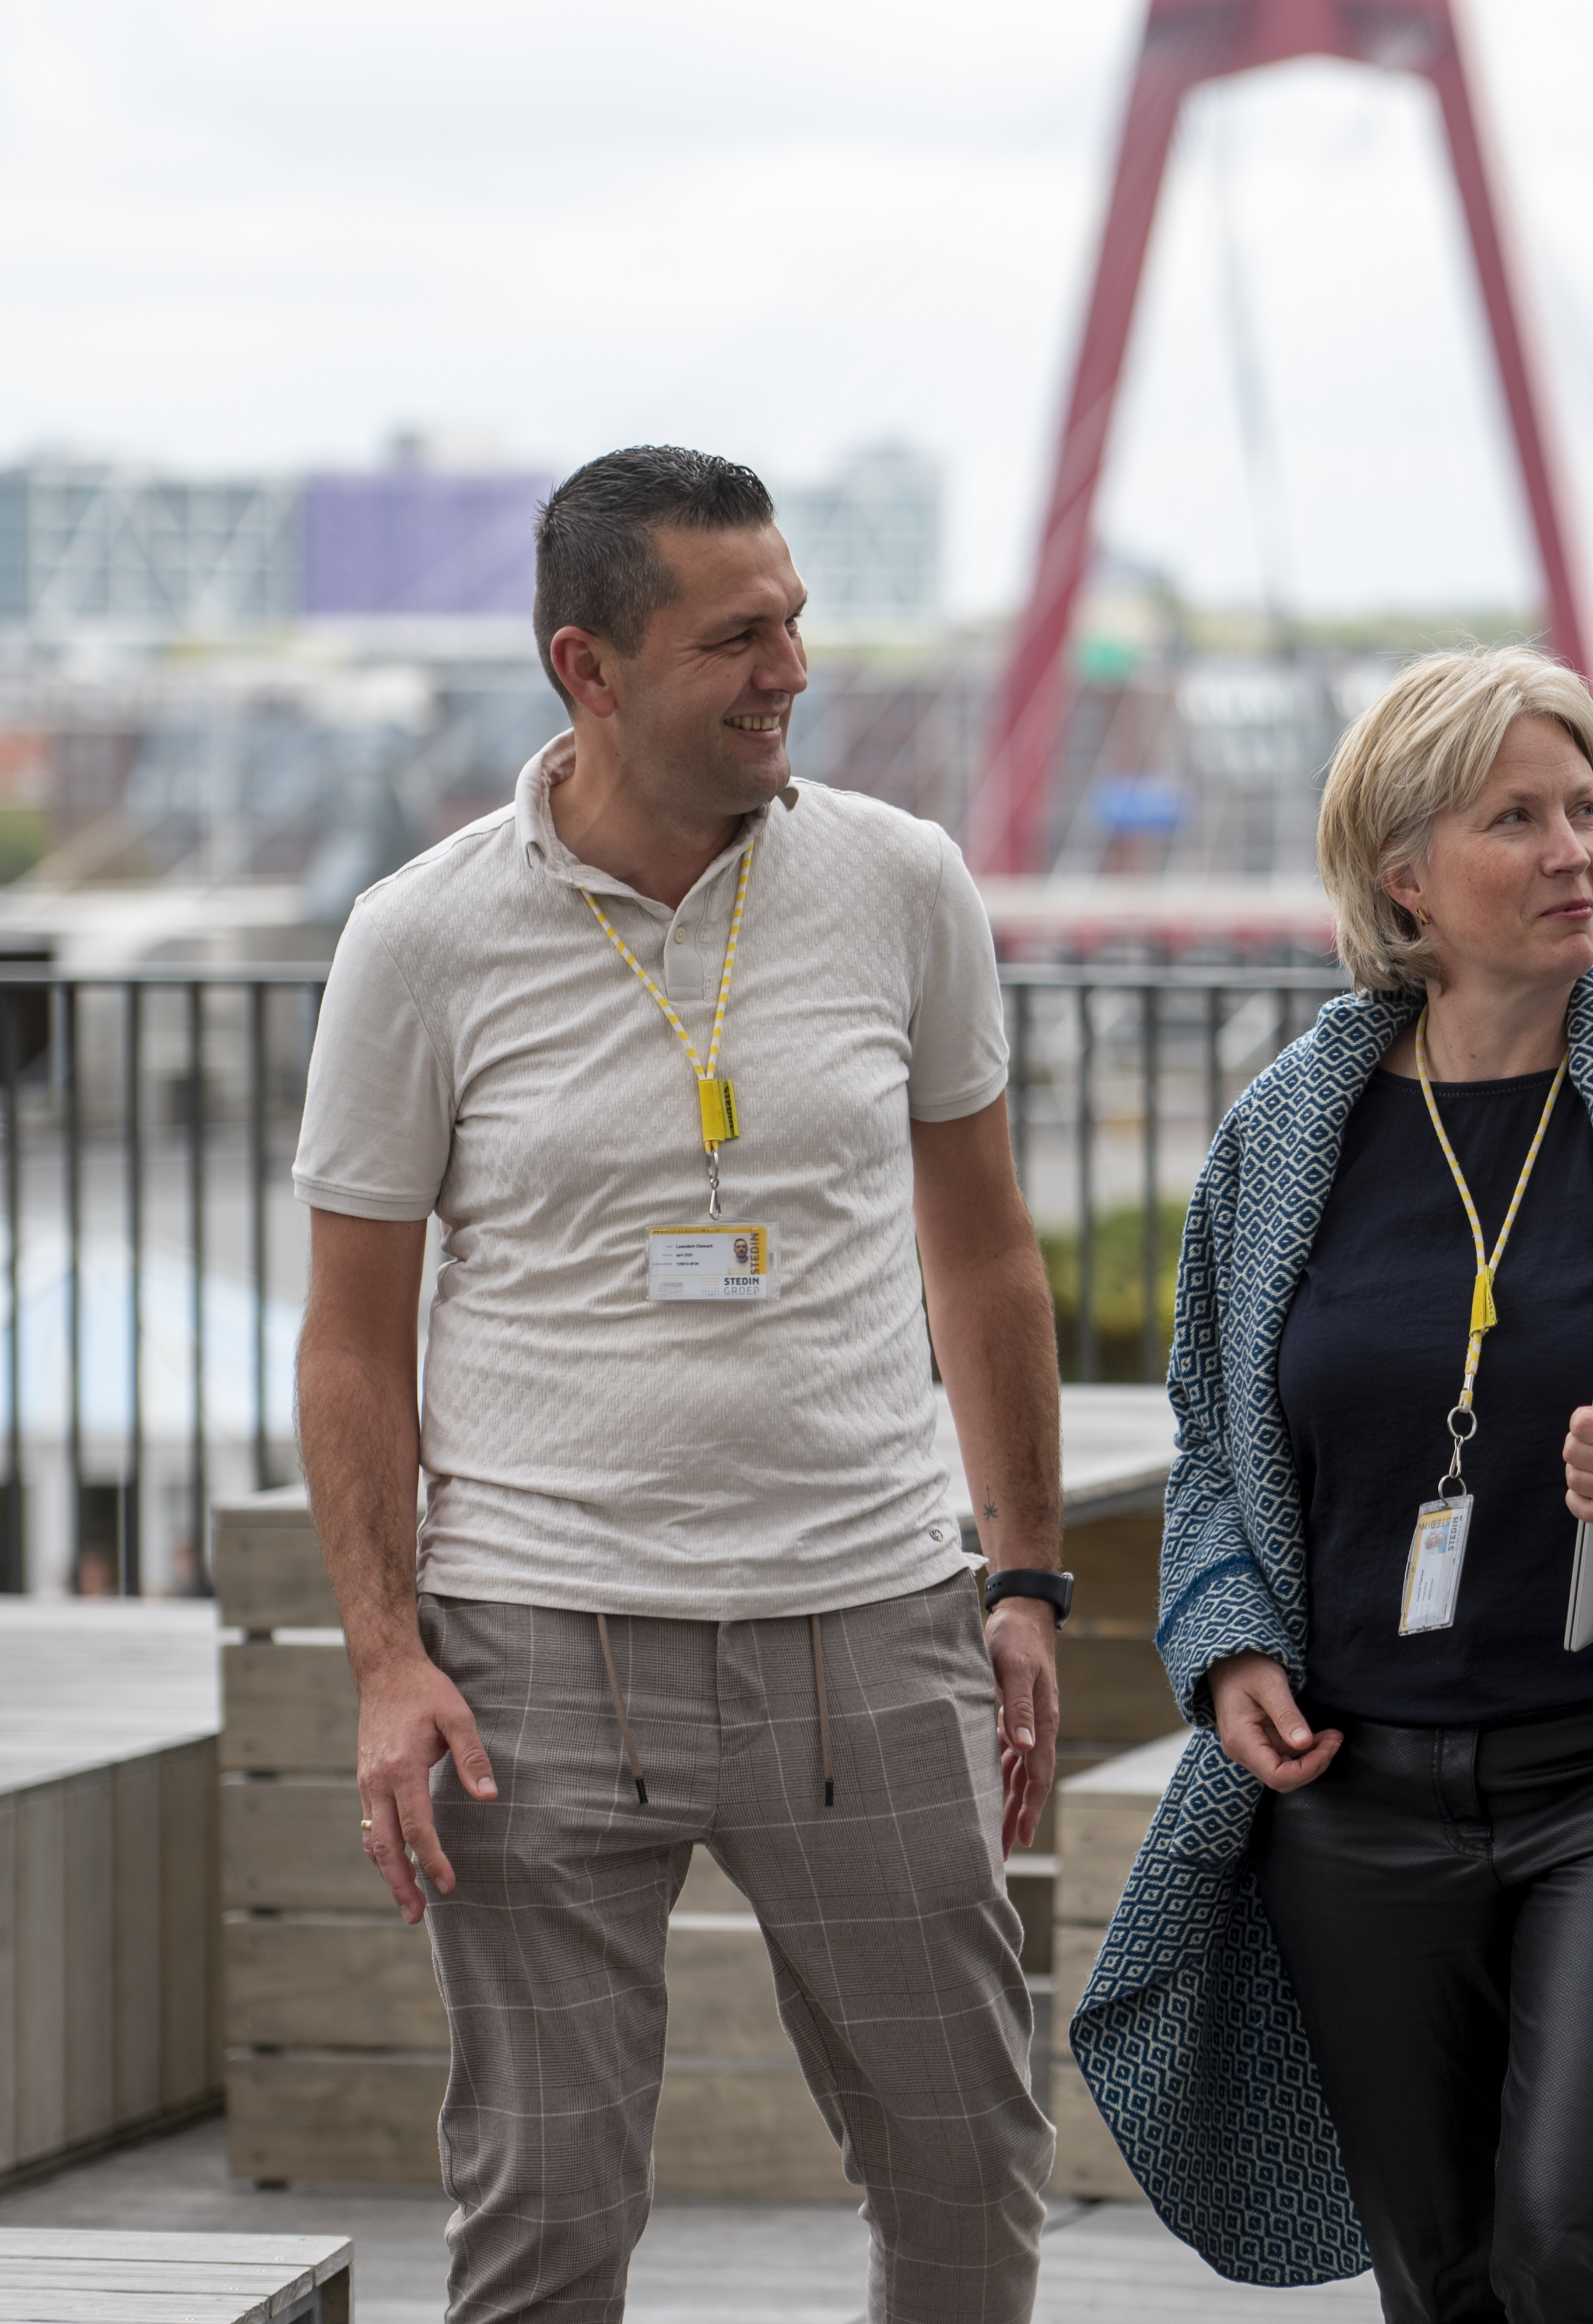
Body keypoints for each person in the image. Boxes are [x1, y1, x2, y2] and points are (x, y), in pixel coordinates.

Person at [298, 446, 1061, 2321]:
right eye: (738, 636)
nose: (791, 665)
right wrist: (388, 1659)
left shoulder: (900, 883)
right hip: (536, 1652)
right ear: (592, 669)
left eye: (794, 618)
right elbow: (348, 1337)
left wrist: (1023, 1573)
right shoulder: (418, 938)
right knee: (545, 2220)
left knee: (964, 2171)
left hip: (868, 1623)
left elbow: (981, 1249)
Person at [1069, 646, 1593, 2324]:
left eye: (1585, 808)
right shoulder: (1288, 1128)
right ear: (1404, 872)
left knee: (1579, 2256)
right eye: (1517, 816)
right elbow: (1218, 1438)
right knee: (1440, 2284)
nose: (1576, 849)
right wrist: (1226, 1646)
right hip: (1351, 1796)